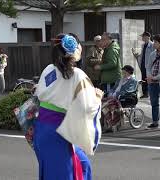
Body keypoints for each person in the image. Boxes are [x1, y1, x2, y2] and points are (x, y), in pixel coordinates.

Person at [34, 33, 103, 179]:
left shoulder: (49, 69)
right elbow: (87, 107)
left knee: (76, 166)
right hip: (61, 129)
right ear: (75, 49)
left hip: (42, 127)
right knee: (67, 172)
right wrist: (97, 97)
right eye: (79, 45)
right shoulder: (77, 74)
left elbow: (41, 93)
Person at [101, 65, 138, 131]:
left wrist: (117, 94)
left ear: (129, 72)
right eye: (123, 72)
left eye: (124, 72)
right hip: (115, 97)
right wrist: (110, 93)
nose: (123, 74)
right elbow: (113, 88)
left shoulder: (133, 80)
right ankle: (105, 124)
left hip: (127, 98)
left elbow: (129, 90)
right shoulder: (119, 80)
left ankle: (112, 125)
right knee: (102, 103)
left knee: (110, 105)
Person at [132, 31, 154, 98]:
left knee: (150, 79)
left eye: (143, 37)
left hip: (149, 65)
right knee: (144, 78)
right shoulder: (143, 45)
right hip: (143, 64)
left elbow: (154, 55)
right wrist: (137, 56)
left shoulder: (152, 45)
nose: (142, 38)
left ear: (147, 37)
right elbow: (142, 55)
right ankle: (145, 93)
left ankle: (150, 93)